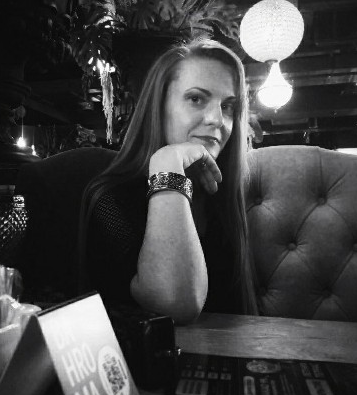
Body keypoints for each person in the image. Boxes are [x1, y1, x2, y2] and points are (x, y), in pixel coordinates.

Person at [79, 37, 258, 324]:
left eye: (228, 106)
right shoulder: (110, 197)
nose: (217, 119)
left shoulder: (225, 196)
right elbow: (176, 304)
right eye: (196, 99)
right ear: (158, 106)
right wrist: (167, 163)